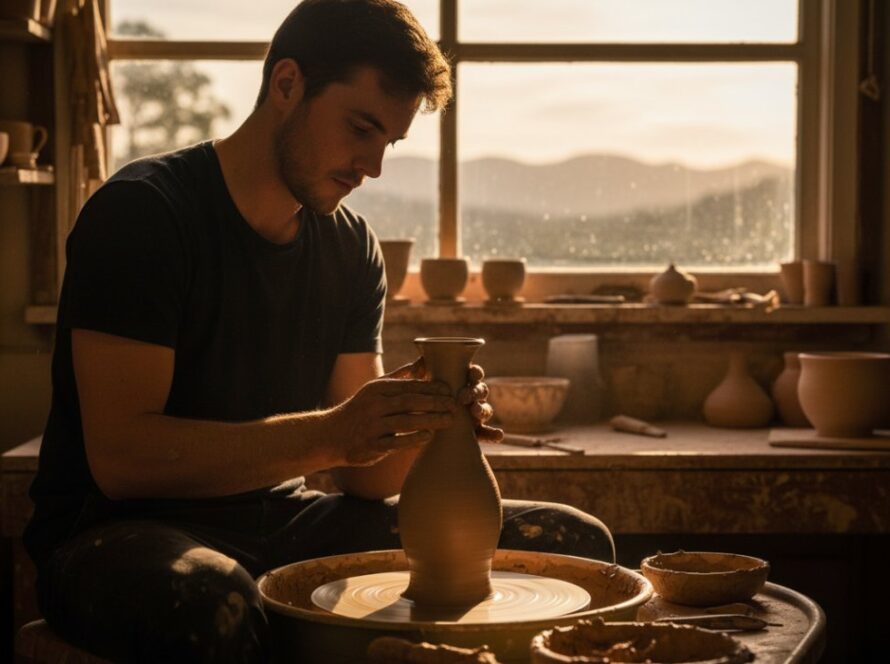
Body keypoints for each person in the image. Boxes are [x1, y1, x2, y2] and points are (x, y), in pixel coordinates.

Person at [23, 1, 614, 661]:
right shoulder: (144, 214)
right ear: (287, 84)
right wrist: (333, 434)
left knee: (569, 543)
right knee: (216, 602)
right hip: (122, 533)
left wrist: (426, 420)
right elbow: (123, 461)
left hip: (281, 522)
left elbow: (368, 479)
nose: (373, 166)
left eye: (389, 142)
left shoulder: (350, 249)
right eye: (361, 128)